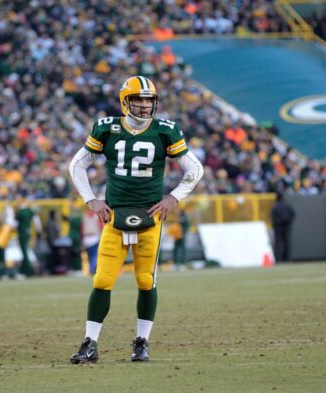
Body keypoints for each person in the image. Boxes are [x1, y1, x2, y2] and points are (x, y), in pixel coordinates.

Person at [68, 76, 203, 363]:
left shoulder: (165, 130)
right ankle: (90, 343)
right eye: (138, 99)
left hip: (150, 216)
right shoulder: (107, 128)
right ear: (125, 101)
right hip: (114, 214)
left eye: (148, 100)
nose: (144, 105)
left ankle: (142, 342)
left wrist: (173, 197)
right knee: (103, 279)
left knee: (145, 280)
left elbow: (195, 168)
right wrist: (91, 199)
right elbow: (77, 164)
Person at [271, 192, 295, 262]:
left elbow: (273, 217)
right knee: (287, 242)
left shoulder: (275, 207)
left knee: (278, 243)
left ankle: (278, 259)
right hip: (287, 226)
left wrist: (276, 223)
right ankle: (287, 258)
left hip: (278, 227)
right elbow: (293, 214)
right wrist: (288, 222)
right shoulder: (287, 206)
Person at [16, 200, 36, 277]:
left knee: (24, 252)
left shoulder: (20, 212)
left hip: (23, 234)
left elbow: (16, 218)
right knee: (26, 252)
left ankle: (26, 270)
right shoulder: (29, 211)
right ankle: (28, 270)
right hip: (28, 232)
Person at [81, 208, 103, 275]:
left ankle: (92, 269)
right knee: (90, 254)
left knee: (94, 254)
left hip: (94, 237)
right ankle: (92, 268)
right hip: (87, 238)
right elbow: (82, 227)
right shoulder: (85, 216)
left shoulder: (96, 216)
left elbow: (100, 226)